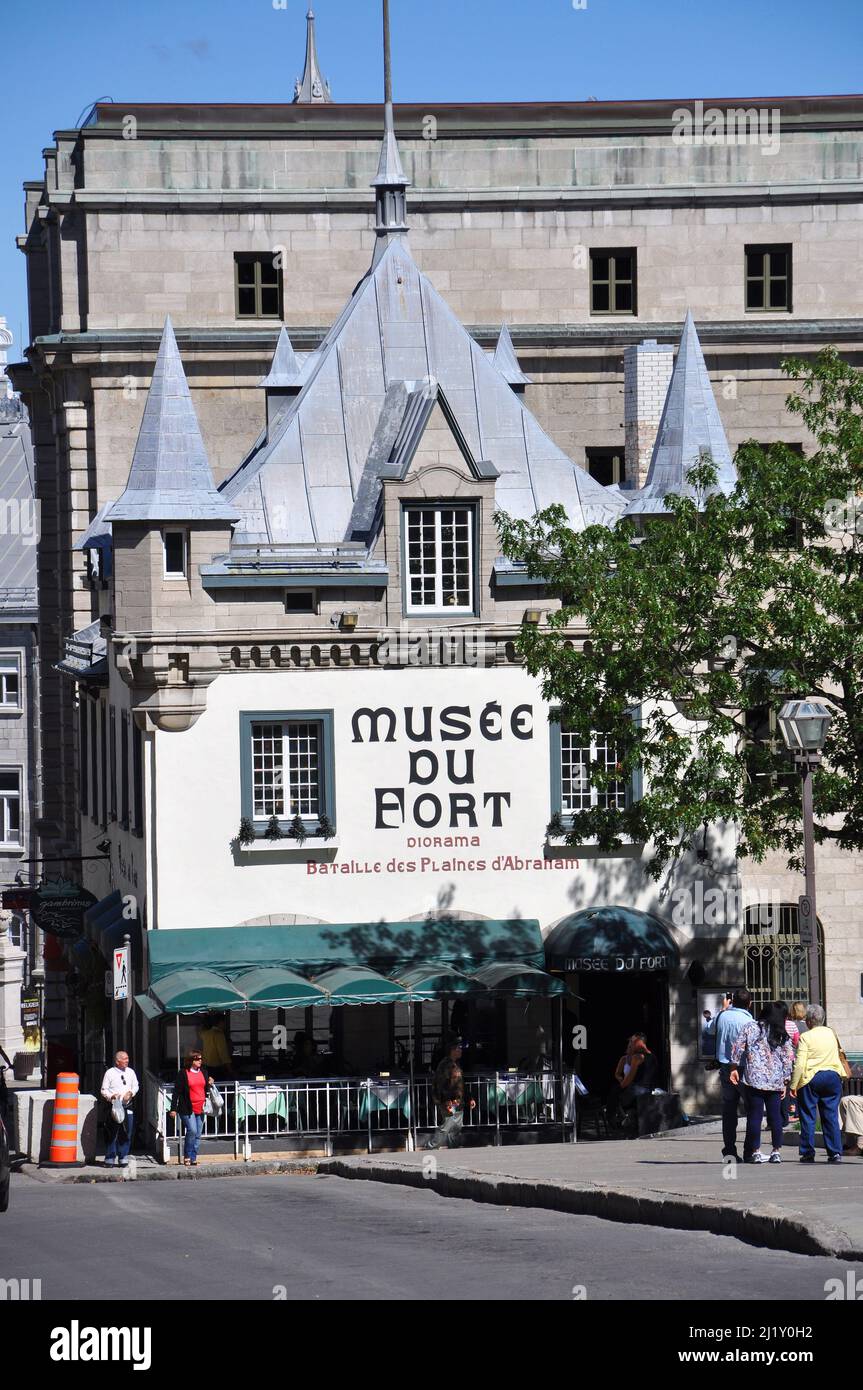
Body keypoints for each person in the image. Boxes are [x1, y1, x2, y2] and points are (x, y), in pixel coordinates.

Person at [729, 1003, 794, 1163]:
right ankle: (776, 1151)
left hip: (754, 1079)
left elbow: (737, 1047)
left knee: (755, 1116)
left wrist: (733, 1067)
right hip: (775, 1080)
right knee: (776, 1117)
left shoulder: (751, 1027)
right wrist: (786, 1080)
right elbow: (788, 1058)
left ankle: (756, 1151)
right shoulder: (781, 1032)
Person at [790, 1005, 846, 1164]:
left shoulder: (805, 1037)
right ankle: (835, 1152)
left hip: (811, 1078)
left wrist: (793, 1085)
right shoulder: (831, 1033)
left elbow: (800, 1064)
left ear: (808, 1021)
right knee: (831, 1115)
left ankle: (808, 1152)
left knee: (808, 1115)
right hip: (833, 1076)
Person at [705, 988, 753, 1162]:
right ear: (750, 1004)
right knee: (752, 1109)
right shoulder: (749, 1020)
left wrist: (723, 1009)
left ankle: (730, 1149)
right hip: (744, 1069)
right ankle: (750, 1150)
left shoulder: (722, 1016)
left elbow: (709, 1029)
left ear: (732, 1001)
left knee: (729, 1110)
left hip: (725, 1068)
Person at [424, 1034, 476, 1149]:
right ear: (453, 1050)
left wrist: (469, 1098)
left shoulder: (456, 1064)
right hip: (449, 1102)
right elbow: (441, 1085)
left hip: (458, 1102)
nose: (461, 1051)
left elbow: (461, 1084)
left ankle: (454, 1150)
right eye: (459, 1048)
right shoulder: (445, 1065)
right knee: (446, 1126)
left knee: (456, 1128)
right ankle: (430, 1147)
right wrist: (446, 1101)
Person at [169, 1050, 216, 1167]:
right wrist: (173, 1108)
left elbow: (205, 1087)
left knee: (198, 1133)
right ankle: (187, 1155)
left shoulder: (203, 1072)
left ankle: (194, 1157)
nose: (200, 1061)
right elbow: (177, 1092)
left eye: (201, 1059)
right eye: (197, 1059)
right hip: (187, 1107)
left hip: (201, 1107)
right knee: (192, 1130)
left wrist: (210, 1083)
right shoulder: (183, 1073)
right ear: (191, 1061)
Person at [100, 1050, 139, 1168]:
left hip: (127, 1106)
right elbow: (103, 1090)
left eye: (127, 1058)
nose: (127, 1060)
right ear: (118, 1061)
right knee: (111, 1132)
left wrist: (131, 1093)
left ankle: (123, 1157)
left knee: (127, 1132)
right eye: (125, 1059)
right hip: (114, 1107)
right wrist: (111, 1096)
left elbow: (136, 1085)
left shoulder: (131, 1072)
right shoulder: (110, 1073)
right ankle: (110, 1158)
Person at [198, 1014, 234, 1080]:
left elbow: (200, 1030)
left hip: (206, 1066)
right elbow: (223, 1053)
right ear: (220, 1022)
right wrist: (230, 1069)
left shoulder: (205, 1033)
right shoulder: (219, 1034)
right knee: (219, 1086)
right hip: (217, 1067)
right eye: (225, 1022)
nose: (226, 1024)